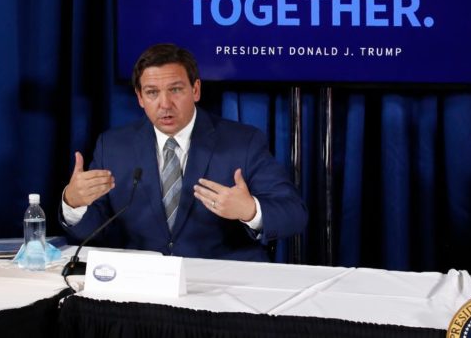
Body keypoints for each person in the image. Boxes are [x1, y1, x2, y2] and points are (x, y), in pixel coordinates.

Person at [60, 43, 307, 261]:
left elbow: (294, 214)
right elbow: (93, 230)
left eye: (176, 90)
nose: (165, 104)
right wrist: (73, 202)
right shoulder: (113, 146)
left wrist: (250, 211)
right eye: (152, 92)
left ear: (195, 90)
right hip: (143, 285)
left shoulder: (243, 142)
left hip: (223, 282)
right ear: (140, 98)